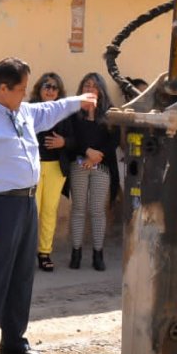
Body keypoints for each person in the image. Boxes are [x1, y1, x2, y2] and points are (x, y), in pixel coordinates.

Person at [0, 58, 95, 354]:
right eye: (20, 89)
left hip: (25, 204)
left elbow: (48, 111)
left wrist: (77, 102)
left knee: (21, 276)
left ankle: (14, 342)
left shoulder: (21, 111)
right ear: (2, 88)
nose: (25, 95)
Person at [62, 72, 119, 272]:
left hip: (101, 167)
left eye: (93, 86)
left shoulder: (110, 113)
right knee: (78, 209)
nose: (89, 89)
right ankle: (76, 253)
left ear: (101, 90)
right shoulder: (74, 113)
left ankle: (98, 254)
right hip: (79, 164)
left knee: (97, 210)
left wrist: (97, 155)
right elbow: (72, 138)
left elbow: (114, 141)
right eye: (86, 85)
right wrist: (87, 153)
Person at [31, 73, 67, 272]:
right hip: (34, 167)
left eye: (55, 87)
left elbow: (74, 140)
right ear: (39, 88)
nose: (50, 90)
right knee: (31, 212)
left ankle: (44, 253)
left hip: (55, 168)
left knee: (49, 211)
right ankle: (27, 253)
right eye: (47, 86)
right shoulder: (29, 110)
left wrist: (64, 142)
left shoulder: (64, 113)